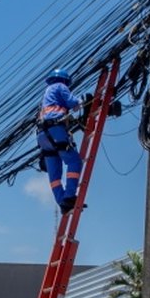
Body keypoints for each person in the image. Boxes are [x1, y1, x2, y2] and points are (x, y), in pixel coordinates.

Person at [36, 68, 85, 214]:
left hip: (42, 136)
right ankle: (69, 197)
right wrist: (81, 102)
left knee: (55, 173)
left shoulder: (45, 98)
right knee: (74, 161)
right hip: (55, 130)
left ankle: (62, 202)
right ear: (65, 81)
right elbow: (71, 101)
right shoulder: (60, 86)